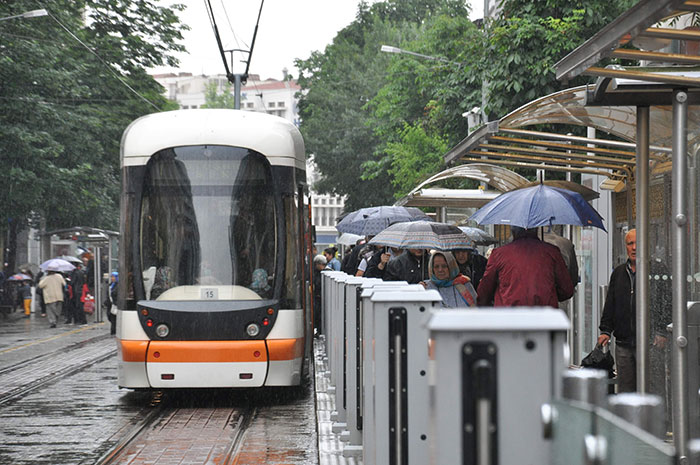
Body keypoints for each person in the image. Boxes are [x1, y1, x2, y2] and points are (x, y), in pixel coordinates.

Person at [597, 229, 672, 395]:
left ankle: (656, 421)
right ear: (626, 247)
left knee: (654, 390)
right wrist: (605, 330)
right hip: (624, 344)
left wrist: (661, 331)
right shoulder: (618, 273)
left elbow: (667, 303)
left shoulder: (659, 271)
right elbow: (610, 304)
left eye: (638, 243)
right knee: (626, 392)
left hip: (651, 343)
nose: (634, 247)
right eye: (630, 243)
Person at [477, 226, 574, 307]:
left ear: (513, 232)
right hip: (544, 319)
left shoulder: (499, 254)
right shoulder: (552, 252)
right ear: (536, 230)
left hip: (508, 320)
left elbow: (485, 291)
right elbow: (567, 290)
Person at [38, 264, 66, 328]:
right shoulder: (59, 276)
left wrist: (42, 278)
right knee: (58, 309)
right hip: (59, 296)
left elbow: (40, 285)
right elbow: (64, 284)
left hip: (49, 297)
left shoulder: (46, 278)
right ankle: (56, 318)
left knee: (50, 310)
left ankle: (53, 322)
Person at [312, 254, 327, 333]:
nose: (324, 266)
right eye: (323, 264)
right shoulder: (314, 273)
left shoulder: (325, 272)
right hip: (317, 297)